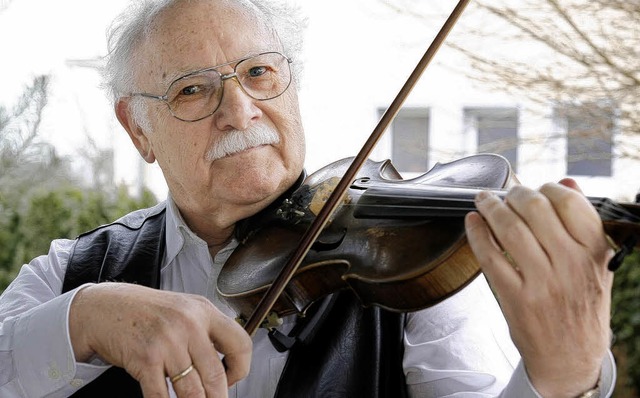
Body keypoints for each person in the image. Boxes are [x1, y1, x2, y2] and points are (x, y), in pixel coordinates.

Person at [0, 0, 617, 397]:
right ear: (138, 130)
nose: (240, 110)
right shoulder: (71, 272)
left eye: (259, 73)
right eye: (191, 90)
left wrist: (561, 379)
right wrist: (85, 317)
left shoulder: (409, 266)